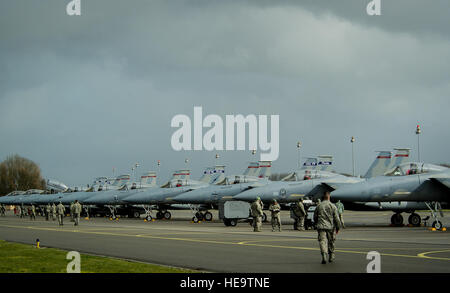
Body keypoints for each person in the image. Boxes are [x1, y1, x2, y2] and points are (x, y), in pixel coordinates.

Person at [313, 191, 341, 264]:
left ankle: (324, 255)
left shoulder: (319, 206)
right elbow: (336, 218)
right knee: (331, 241)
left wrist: (316, 224)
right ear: (329, 196)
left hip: (321, 226)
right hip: (330, 227)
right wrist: (338, 227)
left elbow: (315, 217)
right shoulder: (332, 206)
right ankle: (331, 255)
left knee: (322, 241)